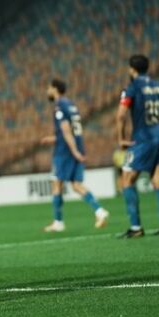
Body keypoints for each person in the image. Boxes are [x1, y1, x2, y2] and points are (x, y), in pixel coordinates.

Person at [116, 54, 159, 238]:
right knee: (158, 179)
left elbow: (120, 115)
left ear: (132, 69)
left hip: (142, 139)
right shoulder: (158, 86)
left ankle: (136, 228)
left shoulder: (132, 88)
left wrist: (121, 139)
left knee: (127, 180)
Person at [40, 79, 109, 232]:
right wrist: (55, 139)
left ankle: (58, 222)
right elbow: (70, 131)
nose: (47, 91)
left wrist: (74, 151)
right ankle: (99, 211)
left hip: (65, 151)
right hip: (76, 146)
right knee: (76, 184)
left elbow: (66, 130)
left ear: (55, 89)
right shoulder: (71, 105)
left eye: (49, 88)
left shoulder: (59, 106)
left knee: (56, 183)